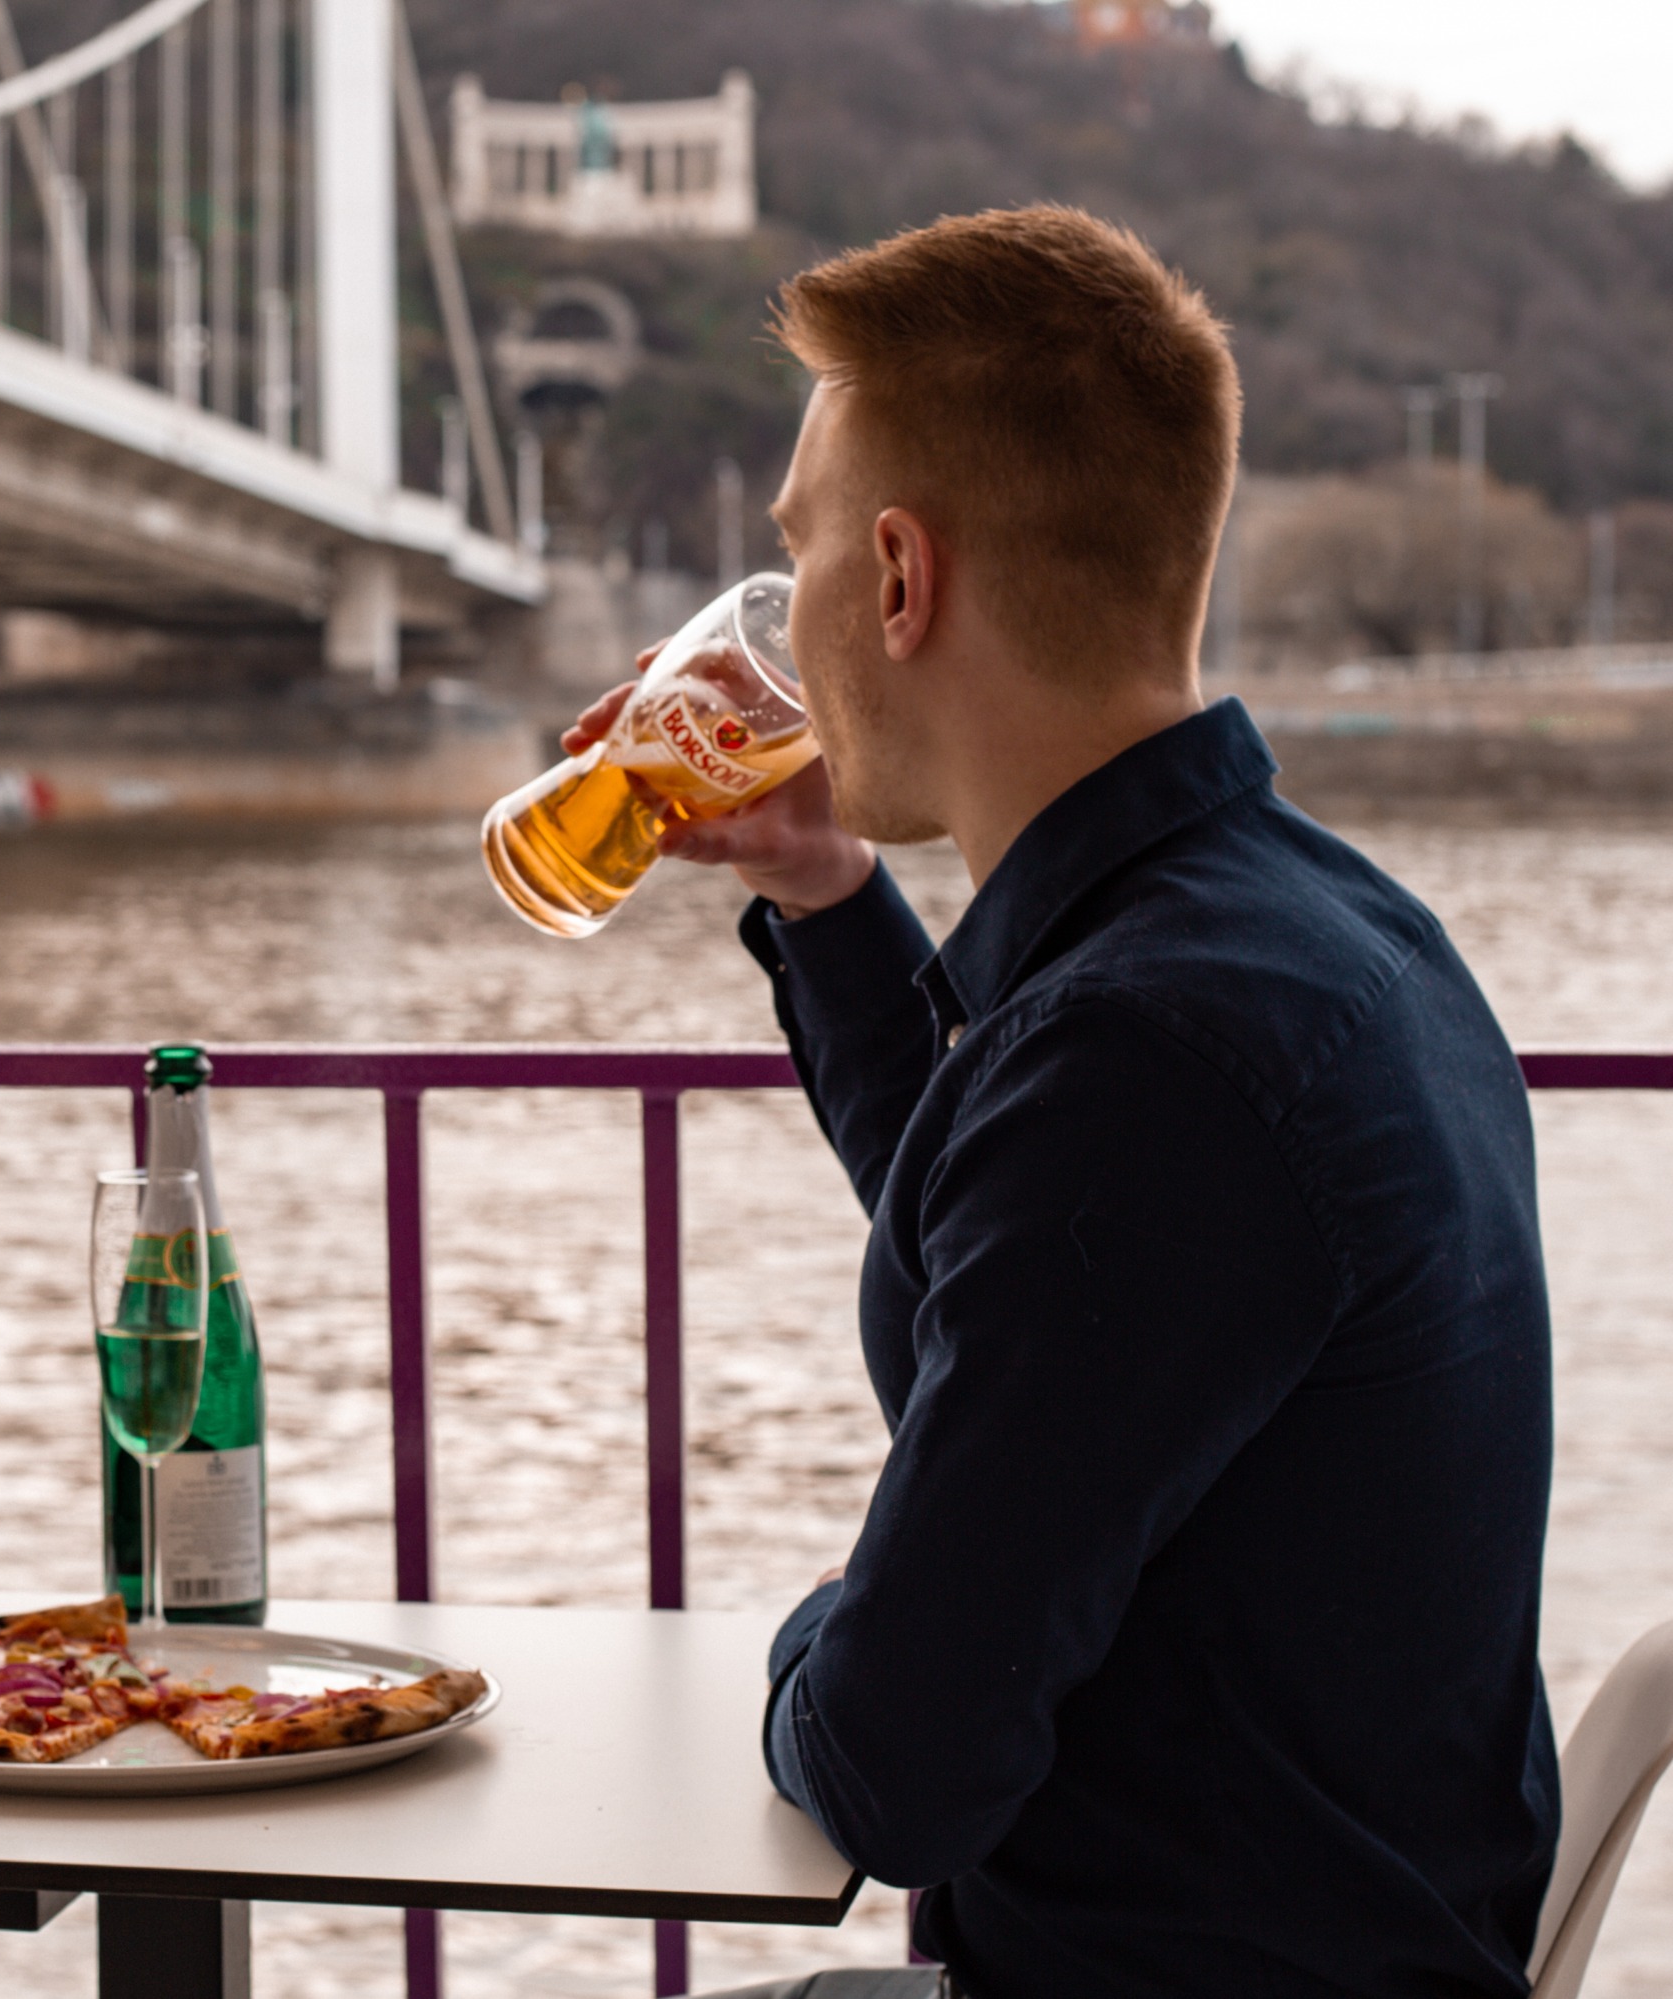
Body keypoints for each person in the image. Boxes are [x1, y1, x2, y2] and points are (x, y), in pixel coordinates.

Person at [578, 209, 1557, 1996]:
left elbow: (898, 1768)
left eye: (791, 555)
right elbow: (1040, 1258)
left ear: (894, 579)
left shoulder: (1148, 1057)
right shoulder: (1314, 931)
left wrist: (826, 1638)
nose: (772, 615)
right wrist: (823, 894)